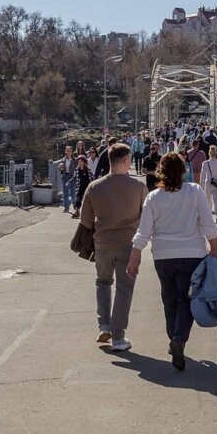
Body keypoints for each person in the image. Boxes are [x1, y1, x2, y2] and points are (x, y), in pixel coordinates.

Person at [127, 152, 217, 370]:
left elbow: (143, 231)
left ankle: (173, 338)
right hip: (193, 255)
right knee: (186, 300)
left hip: (163, 256)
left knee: (169, 298)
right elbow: (207, 223)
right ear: (183, 171)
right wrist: (214, 250)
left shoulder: (153, 197)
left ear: (161, 172)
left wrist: (134, 256)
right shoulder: (195, 192)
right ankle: (178, 339)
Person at [79, 143, 147, 352]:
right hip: (128, 244)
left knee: (102, 282)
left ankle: (104, 325)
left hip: (102, 245)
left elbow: (85, 220)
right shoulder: (138, 188)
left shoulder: (94, 187)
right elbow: (147, 219)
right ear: (126, 161)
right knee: (124, 289)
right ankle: (118, 337)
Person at [200, 145, 217, 225]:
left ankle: (209, 218)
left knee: (208, 201)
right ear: (216, 154)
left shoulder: (205, 163)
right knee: (216, 201)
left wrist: (201, 185)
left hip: (208, 183)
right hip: (216, 183)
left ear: (209, 154)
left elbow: (203, 175)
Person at [55, 146, 77, 213]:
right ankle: (66, 208)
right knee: (65, 193)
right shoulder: (63, 160)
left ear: (72, 152)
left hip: (72, 176)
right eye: (67, 151)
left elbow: (77, 169)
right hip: (65, 176)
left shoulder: (75, 160)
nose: (69, 152)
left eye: (70, 151)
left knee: (73, 192)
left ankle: (74, 204)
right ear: (65, 152)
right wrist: (60, 167)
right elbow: (60, 168)